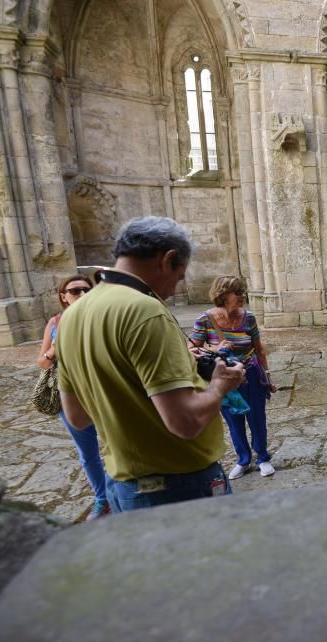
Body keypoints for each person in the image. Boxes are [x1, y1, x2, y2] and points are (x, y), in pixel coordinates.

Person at [56, 216, 246, 512]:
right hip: (178, 487)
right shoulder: (145, 311)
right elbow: (185, 423)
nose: (171, 290)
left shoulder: (73, 314)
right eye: (179, 277)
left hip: (122, 486)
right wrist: (221, 385)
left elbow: (77, 416)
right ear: (168, 259)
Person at [190, 276, 277, 481]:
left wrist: (267, 376)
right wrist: (214, 348)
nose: (242, 296)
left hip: (251, 375)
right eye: (237, 292)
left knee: (257, 417)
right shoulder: (205, 319)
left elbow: (259, 349)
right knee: (233, 419)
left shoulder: (249, 318)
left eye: (242, 292)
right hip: (224, 377)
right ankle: (243, 460)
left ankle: (262, 458)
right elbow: (191, 349)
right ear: (222, 295)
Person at [37, 275, 109, 521]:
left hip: (103, 392)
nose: (81, 294)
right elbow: (42, 362)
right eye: (75, 291)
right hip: (70, 396)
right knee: (87, 453)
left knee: (117, 443)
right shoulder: (55, 322)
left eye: (86, 290)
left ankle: (122, 492)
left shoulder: (101, 318)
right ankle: (103, 499)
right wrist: (53, 350)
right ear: (63, 296)